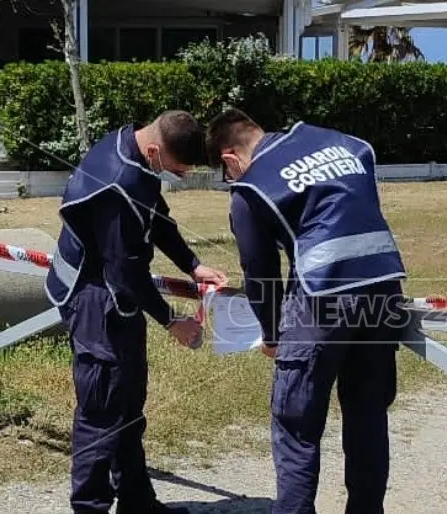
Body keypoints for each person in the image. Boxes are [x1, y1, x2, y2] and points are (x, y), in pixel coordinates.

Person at [205, 108, 410, 514]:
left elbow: (259, 269)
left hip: (320, 299)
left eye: (227, 173)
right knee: (368, 415)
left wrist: (272, 335)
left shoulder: (251, 188)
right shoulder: (337, 141)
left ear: (230, 159)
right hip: (384, 287)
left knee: (295, 425)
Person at [45, 110, 228, 514]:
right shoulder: (118, 181)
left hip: (114, 293)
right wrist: (170, 321)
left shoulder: (134, 148)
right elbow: (125, 272)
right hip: (94, 297)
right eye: (178, 170)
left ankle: (136, 501)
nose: (179, 178)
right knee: (102, 408)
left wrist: (192, 264)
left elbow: (157, 217)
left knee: (129, 403)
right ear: (154, 150)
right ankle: (90, 507)